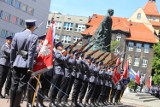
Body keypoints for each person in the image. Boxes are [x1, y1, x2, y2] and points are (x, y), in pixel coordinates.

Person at [10, 20, 38, 107]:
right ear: (33, 26)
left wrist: (12, 62)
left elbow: (13, 50)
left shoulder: (17, 34)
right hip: (25, 64)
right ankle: (16, 105)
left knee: (14, 85)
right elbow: (31, 53)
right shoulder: (34, 37)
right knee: (21, 86)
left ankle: (12, 105)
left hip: (16, 62)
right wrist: (30, 67)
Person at [49, 42, 70, 107]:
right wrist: (68, 54)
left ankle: (54, 101)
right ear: (58, 47)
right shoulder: (57, 52)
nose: (62, 47)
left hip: (61, 72)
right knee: (54, 87)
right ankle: (51, 102)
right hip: (57, 70)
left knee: (57, 87)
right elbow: (62, 59)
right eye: (61, 46)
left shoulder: (61, 52)